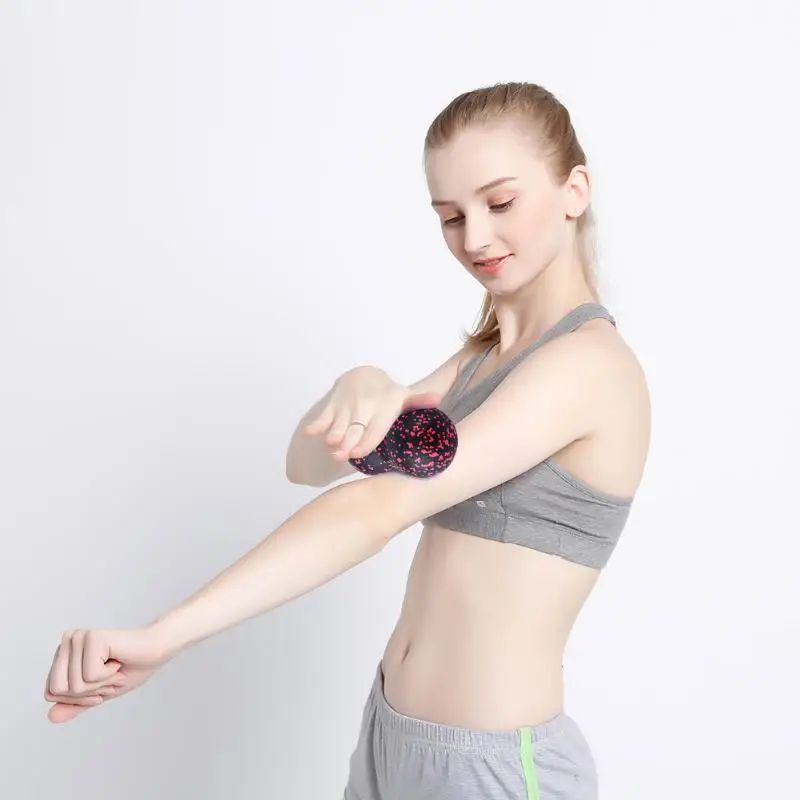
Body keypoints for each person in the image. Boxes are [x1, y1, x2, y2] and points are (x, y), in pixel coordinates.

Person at [43, 82, 651, 799]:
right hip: (391, 738)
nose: (475, 239)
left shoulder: (587, 366)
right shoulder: (479, 363)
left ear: (574, 190)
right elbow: (306, 466)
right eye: (451, 217)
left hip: (489, 768)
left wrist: (166, 634)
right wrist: (356, 389)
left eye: (501, 202)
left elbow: (374, 509)